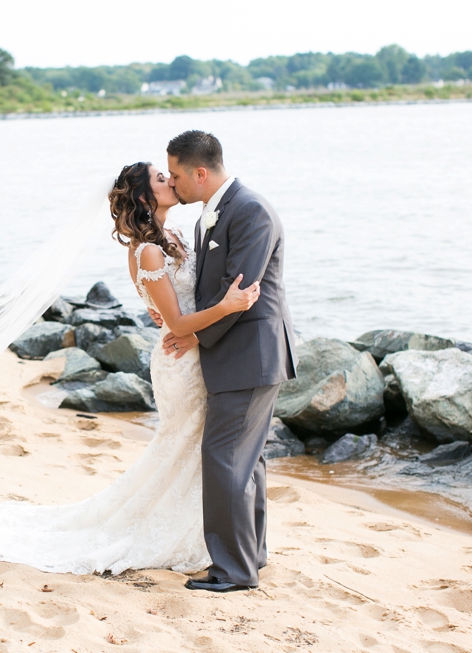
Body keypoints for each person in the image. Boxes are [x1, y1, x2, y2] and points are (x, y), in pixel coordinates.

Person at [0, 160, 260, 575]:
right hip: (180, 360)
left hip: (197, 352)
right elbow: (176, 322)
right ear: (145, 197)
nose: (170, 179)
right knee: (181, 445)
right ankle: (183, 534)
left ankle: (202, 533)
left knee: (193, 449)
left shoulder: (178, 235)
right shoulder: (145, 252)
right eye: (161, 178)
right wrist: (227, 307)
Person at [157, 130, 297, 593]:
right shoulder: (209, 216)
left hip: (250, 354)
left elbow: (240, 292)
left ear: (200, 172)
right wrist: (178, 318)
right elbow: (211, 291)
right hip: (237, 353)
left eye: (176, 174)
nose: (173, 183)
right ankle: (249, 556)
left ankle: (234, 571)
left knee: (224, 459)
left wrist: (192, 334)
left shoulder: (251, 210)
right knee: (246, 461)